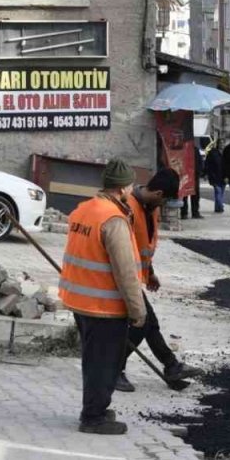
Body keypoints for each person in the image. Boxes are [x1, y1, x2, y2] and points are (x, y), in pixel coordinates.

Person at [58, 158, 147, 435]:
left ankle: (97, 406)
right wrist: (138, 310)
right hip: (105, 307)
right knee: (104, 364)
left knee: (93, 359)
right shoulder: (113, 220)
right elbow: (125, 272)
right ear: (122, 190)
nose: (132, 191)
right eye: (130, 186)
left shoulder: (84, 210)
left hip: (79, 300)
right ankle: (93, 417)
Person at [115, 167, 200, 393]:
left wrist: (149, 272)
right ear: (159, 194)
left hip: (134, 276)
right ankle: (114, 368)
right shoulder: (127, 209)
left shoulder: (150, 207)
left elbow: (144, 246)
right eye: (165, 201)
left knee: (148, 324)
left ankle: (171, 366)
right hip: (120, 278)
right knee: (142, 323)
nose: (162, 207)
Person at [181, 144, 204, 220]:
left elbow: (200, 161)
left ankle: (195, 212)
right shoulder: (183, 149)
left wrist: (199, 172)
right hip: (186, 175)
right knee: (185, 195)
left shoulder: (195, 149)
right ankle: (184, 213)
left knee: (195, 195)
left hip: (194, 175)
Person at [204, 139, 225, 214]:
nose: (221, 144)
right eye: (220, 143)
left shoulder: (225, 153)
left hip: (223, 176)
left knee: (220, 193)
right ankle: (221, 206)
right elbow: (207, 163)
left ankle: (217, 208)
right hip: (214, 176)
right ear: (217, 144)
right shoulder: (212, 152)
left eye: (223, 143)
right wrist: (206, 173)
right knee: (218, 191)